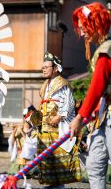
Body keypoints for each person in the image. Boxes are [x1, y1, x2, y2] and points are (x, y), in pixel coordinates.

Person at [69, 2, 111, 189]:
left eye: (83, 26)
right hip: (103, 117)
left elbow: (96, 88)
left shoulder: (107, 50)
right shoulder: (103, 48)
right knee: (94, 165)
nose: (81, 31)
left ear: (95, 24)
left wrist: (79, 118)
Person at [37, 52, 81, 188]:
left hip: (57, 130)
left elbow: (68, 104)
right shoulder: (45, 85)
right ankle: (52, 185)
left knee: (58, 164)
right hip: (45, 129)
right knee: (48, 163)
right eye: (42, 67)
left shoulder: (62, 83)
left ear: (55, 68)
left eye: (46, 66)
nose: (43, 69)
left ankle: (58, 186)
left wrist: (59, 116)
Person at [7, 106, 39, 178]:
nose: (26, 119)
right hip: (19, 158)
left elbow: (30, 144)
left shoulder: (34, 131)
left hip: (30, 158)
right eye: (25, 116)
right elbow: (11, 144)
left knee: (32, 171)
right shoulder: (18, 129)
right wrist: (13, 132)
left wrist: (22, 132)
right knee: (15, 172)